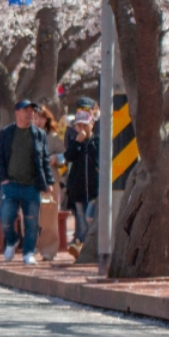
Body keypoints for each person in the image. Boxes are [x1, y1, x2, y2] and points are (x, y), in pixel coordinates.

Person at [0, 100, 53, 266]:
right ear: (17, 112)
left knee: (32, 221)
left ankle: (28, 253)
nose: (30, 113)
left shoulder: (39, 134)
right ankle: (12, 240)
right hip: (10, 184)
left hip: (31, 185)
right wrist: (3, 178)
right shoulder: (6, 133)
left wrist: (48, 181)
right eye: (25, 110)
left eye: (32, 110)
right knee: (6, 216)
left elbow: (45, 159)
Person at [64, 109, 99, 254]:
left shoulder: (96, 141)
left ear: (92, 124)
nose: (82, 129)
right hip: (78, 188)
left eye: (85, 125)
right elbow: (69, 156)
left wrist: (88, 144)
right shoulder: (74, 142)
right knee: (80, 218)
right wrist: (77, 143)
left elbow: (98, 159)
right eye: (79, 126)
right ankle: (83, 247)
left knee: (89, 217)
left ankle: (91, 245)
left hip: (93, 189)